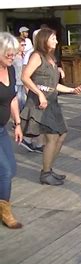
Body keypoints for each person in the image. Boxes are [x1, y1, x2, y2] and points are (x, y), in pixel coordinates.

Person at [20, 28, 81, 186]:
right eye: (53, 38)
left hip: (52, 101)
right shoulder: (37, 56)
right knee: (52, 136)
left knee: (61, 134)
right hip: (41, 103)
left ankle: (48, 168)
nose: (56, 41)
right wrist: (39, 94)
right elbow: (25, 77)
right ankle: (46, 173)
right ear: (44, 40)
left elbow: (53, 85)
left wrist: (71, 90)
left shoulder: (51, 58)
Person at [0, 32, 23, 229]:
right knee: (5, 171)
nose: (12, 56)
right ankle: (6, 213)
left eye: (14, 53)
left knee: (11, 169)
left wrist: (17, 123)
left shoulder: (11, 71)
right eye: (8, 52)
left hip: (2, 130)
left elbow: (13, 98)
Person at [13, 37, 27, 110]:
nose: (24, 47)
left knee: (24, 101)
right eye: (22, 45)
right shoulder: (13, 57)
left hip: (24, 82)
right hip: (16, 82)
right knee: (18, 101)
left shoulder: (25, 56)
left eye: (25, 45)